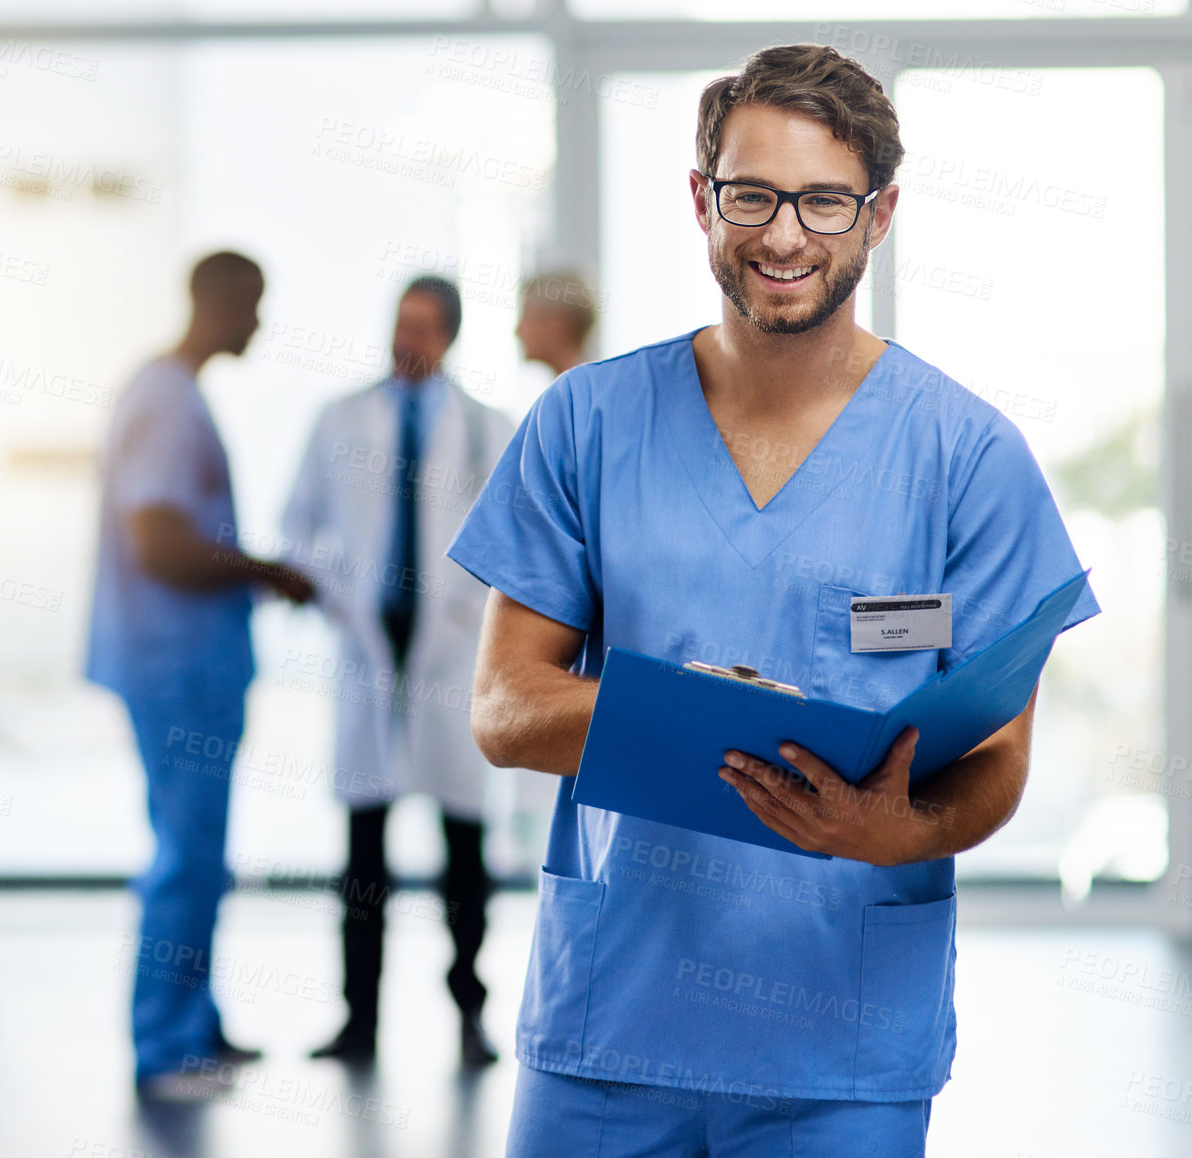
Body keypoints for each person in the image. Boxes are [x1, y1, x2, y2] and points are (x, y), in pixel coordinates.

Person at [446, 45, 1101, 1156]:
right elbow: (506, 713)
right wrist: (691, 714)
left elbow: (998, 756)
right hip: (615, 1026)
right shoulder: (587, 424)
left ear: (879, 214)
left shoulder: (968, 456)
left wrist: (900, 827)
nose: (784, 235)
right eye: (751, 194)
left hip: (842, 1043)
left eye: (825, 201)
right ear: (703, 198)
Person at [86, 250, 314, 1102]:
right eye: (253, 307)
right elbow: (160, 543)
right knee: (187, 857)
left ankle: (196, 1022)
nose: (258, 324)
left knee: (202, 854)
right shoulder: (165, 401)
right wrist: (269, 574)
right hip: (174, 666)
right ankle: (164, 1046)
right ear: (221, 304)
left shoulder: (171, 393)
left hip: (185, 664)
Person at [282, 275, 517, 1068]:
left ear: (447, 337)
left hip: (453, 662)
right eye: (398, 324)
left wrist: (460, 614)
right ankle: (358, 1023)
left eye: (421, 328)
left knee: (463, 854)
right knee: (363, 858)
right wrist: (333, 597)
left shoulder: (487, 429)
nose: (405, 341)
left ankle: (468, 1014)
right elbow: (298, 527)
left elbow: (509, 548)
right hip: (366, 651)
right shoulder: (338, 420)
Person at [513, 271, 598, 377]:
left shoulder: (586, 389)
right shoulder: (583, 386)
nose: (517, 331)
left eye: (527, 317)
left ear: (559, 323)